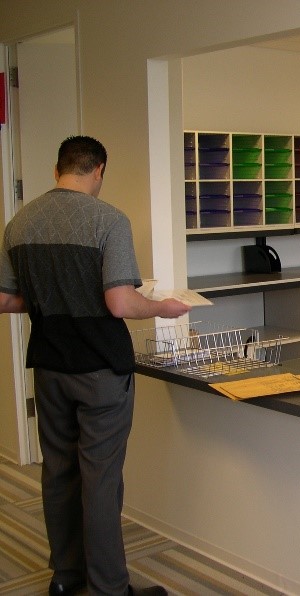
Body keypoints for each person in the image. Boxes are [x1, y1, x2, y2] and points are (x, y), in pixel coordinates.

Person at [0, 136, 191, 596]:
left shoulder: (19, 222)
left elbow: (4, 298)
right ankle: (109, 588)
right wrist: (163, 308)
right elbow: (120, 302)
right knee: (100, 480)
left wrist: (52, 298)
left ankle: (65, 579)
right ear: (99, 170)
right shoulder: (108, 220)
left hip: (48, 366)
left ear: (56, 169)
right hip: (101, 370)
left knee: (59, 471)